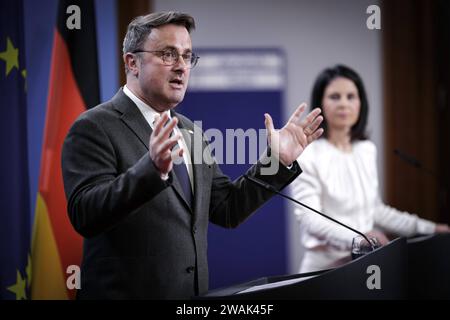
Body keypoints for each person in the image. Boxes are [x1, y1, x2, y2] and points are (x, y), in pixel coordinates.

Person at [61, 11, 324, 299]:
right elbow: (85, 214)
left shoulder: (190, 132)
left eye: (187, 56)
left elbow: (227, 208)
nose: (181, 67)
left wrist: (277, 161)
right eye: (168, 54)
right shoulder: (94, 127)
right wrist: (151, 169)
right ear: (132, 62)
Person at [291, 65, 450, 273]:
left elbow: (375, 210)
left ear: (361, 103)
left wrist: (431, 229)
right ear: (320, 103)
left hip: (367, 264)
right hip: (324, 268)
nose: (344, 104)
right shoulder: (307, 155)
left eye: (351, 96)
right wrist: (360, 237)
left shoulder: (366, 150)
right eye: (335, 96)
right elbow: (310, 219)